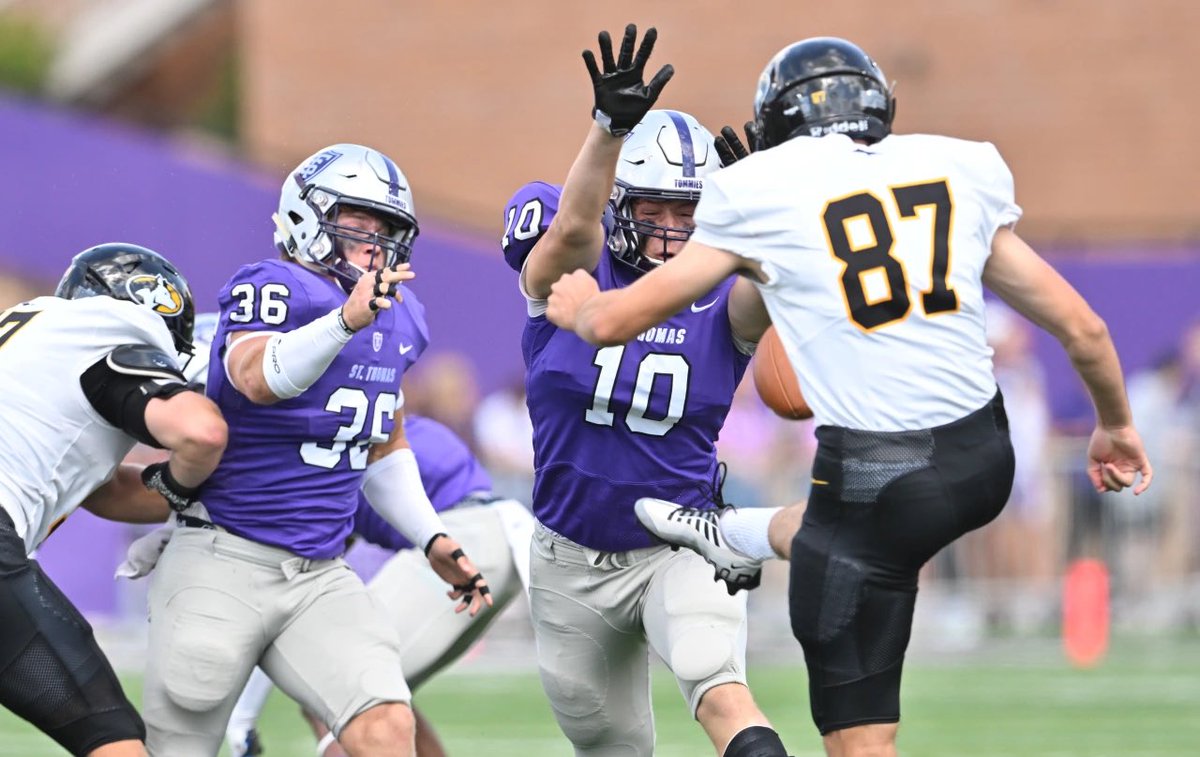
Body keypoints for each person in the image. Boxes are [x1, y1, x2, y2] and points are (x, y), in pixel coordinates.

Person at [546, 36, 1153, 757]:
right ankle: (734, 530)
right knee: (846, 538)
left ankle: (728, 531)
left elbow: (616, 320)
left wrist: (582, 305)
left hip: (874, 477)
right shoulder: (955, 167)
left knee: (857, 733)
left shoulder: (762, 192)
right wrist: (1115, 424)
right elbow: (1084, 327)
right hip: (984, 458)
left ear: (773, 124)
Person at [140, 143, 492, 757]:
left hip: (320, 573)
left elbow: (383, 443)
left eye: (388, 228)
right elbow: (255, 376)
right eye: (359, 220)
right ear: (308, 215)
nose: (375, 240)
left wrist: (431, 537)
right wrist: (343, 324)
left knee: (386, 725)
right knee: (182, 742)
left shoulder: (400, 316)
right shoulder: (276, 285)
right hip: (223, 555)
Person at [506, 24, 786, 757]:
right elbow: (570, 226)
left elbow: (769, 277)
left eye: (687, 213)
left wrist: (766, 200)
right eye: (654, 210)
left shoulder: (725, 296)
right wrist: (607, 130)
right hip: (568, 557)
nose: (670, 230)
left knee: (720, 689)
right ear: (618, 202)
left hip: (679, 541)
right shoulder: (569, 279)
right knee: (613, 746)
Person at [0, 243, 227, 757]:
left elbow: (108, 490)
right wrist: (189, 477)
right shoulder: (110, 329)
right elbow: (201, 432)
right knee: (111, 738)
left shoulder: (34, 334)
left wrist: (192, 491)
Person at [222, 411, 535, 757]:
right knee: (384, 703)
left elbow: (283, 593)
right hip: (500, 539)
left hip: (468, 539)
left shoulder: (322, 451)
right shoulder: (390, 422)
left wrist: (242, 717)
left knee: (340, 693)